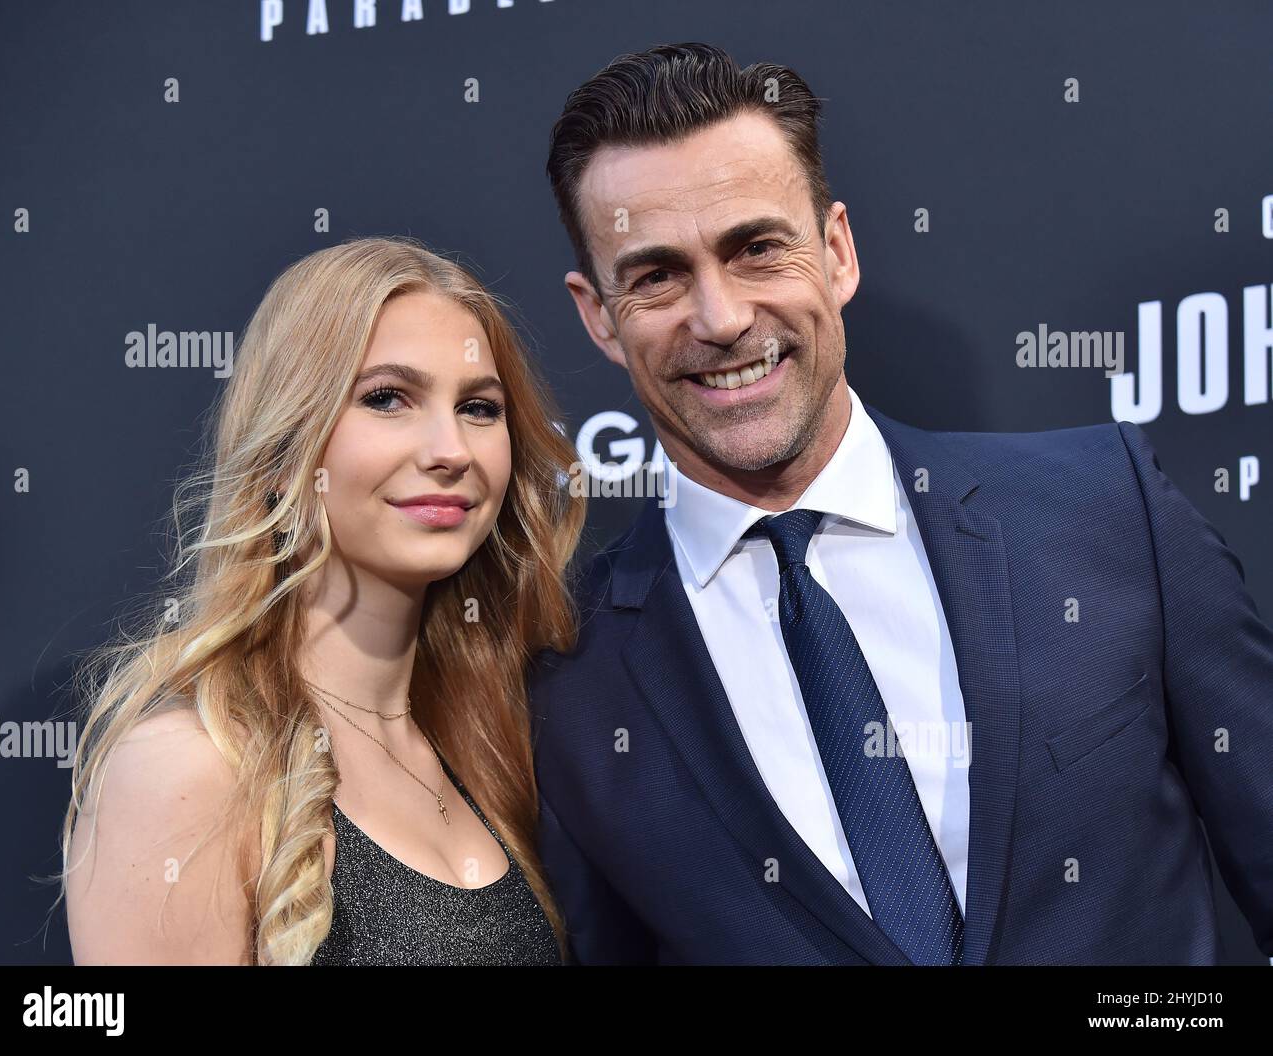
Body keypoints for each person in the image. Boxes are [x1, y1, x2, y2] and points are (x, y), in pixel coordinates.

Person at [529, 42, 1273, 964]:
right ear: (599, 315)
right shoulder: (568, 682)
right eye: (656, 276)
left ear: (837, 252)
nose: (719, 318)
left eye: (757, 248)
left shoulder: (1106, 512)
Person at [59, 237, 583, 965]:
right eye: (387, 398)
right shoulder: (191, 769)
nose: (450, 449)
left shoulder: (484, 741)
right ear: (283, 452)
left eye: (478, 407)